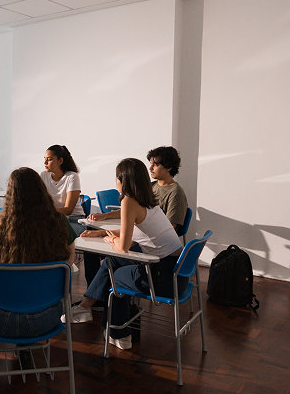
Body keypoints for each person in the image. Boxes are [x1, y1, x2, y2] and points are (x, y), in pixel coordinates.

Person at [66, 158, 187, 350]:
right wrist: (100, 233)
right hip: (176, 274)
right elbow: (133, 233)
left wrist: (112, 240)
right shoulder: (148, 202)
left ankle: (119, 334)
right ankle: (87, 309)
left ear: (123, 180)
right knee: (113, 262)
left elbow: (123, 246)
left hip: (162, 279)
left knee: (115, 275)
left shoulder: (130, 200)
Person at [0, 167, 76, 341]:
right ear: (42, 190)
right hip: (44, 319)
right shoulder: (59, 222)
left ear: (10, 195)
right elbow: (68, 264)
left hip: (0, 320)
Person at [88, 145, 188, 233]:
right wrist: (105, 216)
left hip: (152, 240)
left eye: (155, 165)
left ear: (168, 167)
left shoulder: (175, 193)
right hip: (141, 233)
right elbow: (131, 210)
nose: (150, 168)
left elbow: (170, 227)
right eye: (150, 164)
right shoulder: (150, 186)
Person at [42, 144, 86, 236]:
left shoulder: (72, 177)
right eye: (44, 159)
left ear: (60, 161)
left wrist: (44, 211)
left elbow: (68, 210)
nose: (45, 162)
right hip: (52, 220)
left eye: (49, 159)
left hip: (74, 220)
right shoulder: (43, 175)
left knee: (53, 235)